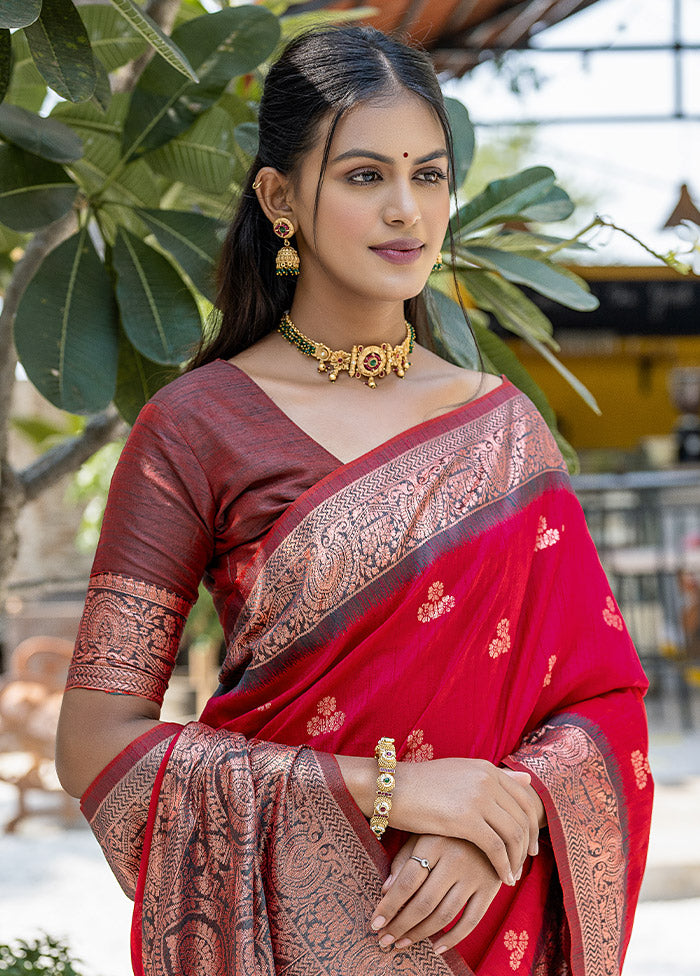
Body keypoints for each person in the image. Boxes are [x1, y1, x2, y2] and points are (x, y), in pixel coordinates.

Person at [56, 25, 652, 976]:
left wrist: (500, 813)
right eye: (366, 176)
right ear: (280, 198)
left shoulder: (505, 430)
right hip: (284, 934)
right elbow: (94, 744)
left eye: (430, 174)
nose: (407, 211)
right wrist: (400, 791)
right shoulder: (194, 428)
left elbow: (603, 701)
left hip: (481, 917)